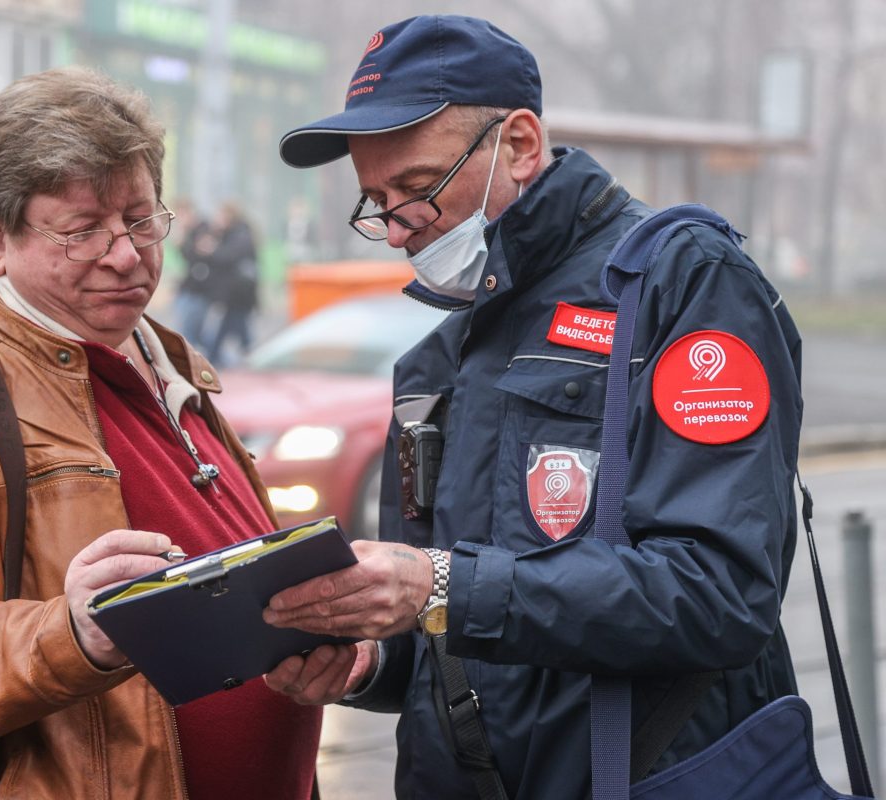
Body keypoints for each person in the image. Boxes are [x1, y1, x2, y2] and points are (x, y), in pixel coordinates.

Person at [261, 15, 803, 799]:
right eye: (377, 200)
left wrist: (439, 587)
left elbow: (720, 593)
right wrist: (371, 659)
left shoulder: (684, 281)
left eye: (417, 189)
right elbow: (451, 630)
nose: (398, 232)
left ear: (519, 144)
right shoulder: (440, 354)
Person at [0, 66, 321, 800]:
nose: (126, 254)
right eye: (83, 230)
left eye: (141, 219)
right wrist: (76, 632)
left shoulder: (162, 352)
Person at [204, 201, 260, 366]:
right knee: (235, 327)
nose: (218, 219)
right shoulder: (229, 234)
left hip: (238, 294)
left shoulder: (241, 234)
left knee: (233, 326)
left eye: (221, 216)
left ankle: (216, 357)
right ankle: (250, 355)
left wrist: (212, 250)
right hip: (234, 294)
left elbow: (227, 257)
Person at [170, 197, 221, 349]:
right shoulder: (190, 232)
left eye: (182, 214)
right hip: (189, 288)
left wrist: (183, 243)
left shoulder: (203, 229)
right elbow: (188, 258)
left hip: (200, 290)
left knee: (191, 333)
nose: (180, 220)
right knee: (192, 332)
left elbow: (201, 254)